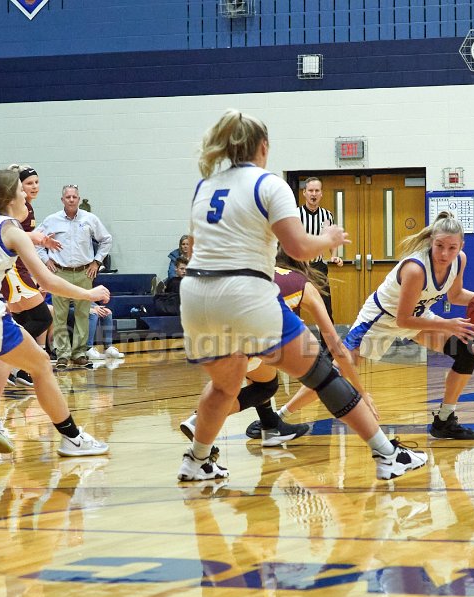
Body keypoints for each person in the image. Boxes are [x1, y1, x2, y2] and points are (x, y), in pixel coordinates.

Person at [178, 109, 425, 482]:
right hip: (244, 292)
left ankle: (196, 461)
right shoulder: (268, 184)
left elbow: (194, 247)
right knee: (322, 375)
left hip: (196, 295)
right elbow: (296, 247)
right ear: (264, 146)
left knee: (224, 386)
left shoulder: (204, 187)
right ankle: (388, 455)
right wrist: (328, 239)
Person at [0, 169, 111, 457]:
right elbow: (48, 282)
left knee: (7, 353)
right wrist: (89, 294)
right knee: (41, 365)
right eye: (20, 190)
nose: (26, 194)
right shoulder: (11, 229)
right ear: (9, 198)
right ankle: (73, 438)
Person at [275, 211, 474, 441]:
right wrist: (447, 324)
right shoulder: (416, 269)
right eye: (439, 246)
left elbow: (455, 295)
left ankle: (445, 420)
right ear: (430, 241)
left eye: (452, 248)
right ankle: (278, 418)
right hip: (379, 320)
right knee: (335, 374)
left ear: (461, 246)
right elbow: (402, 320)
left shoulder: (459, 260)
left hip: (417, 315)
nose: (445, 253)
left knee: (468, 353)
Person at [238, 248, 375, 445]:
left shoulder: (261, 272)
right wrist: (361, 392)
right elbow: (335, 346)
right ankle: (383, 449)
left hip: (216, 328)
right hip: (251, 335)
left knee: (263, 385)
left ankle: (271, 425)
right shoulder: (302, 284)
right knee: (324, 374)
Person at [35, 184, 113, 370]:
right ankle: (62, 354)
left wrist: (97, 262)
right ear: (62, 200)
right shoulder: (52, 220)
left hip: (84, 272)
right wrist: (46, 260)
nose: (71, 199)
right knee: (59, 315)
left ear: (78, 199)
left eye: (74, 197)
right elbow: (36, 241)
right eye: (68, 197)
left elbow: (106, 240)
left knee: (83, 314)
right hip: (59, 273)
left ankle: (79, 353)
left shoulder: (90, 219)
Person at [0, 165, 61, 386]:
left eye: (36, 182)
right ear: (18, 186)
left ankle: (20, 369)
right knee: (43, 318)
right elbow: (7, 234)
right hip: (14, 269)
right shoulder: (18, 208)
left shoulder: (26, 207)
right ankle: (5, 362)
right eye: (28, 183)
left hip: (17, 269)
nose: (34, 186)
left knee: (23, 321)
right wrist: (36, 238)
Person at [298, 177, 343, 321]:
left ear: (321, 193)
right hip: (298, 266)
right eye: (310, 190)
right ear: (304, 192)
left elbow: (331, 239)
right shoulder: (296, 214)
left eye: (317, 191)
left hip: (318, 266)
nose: (313, 194)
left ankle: (327, 336)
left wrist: (334, 255)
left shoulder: (327, 215)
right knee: (294, 303)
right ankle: (293, 334)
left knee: (326, 305)